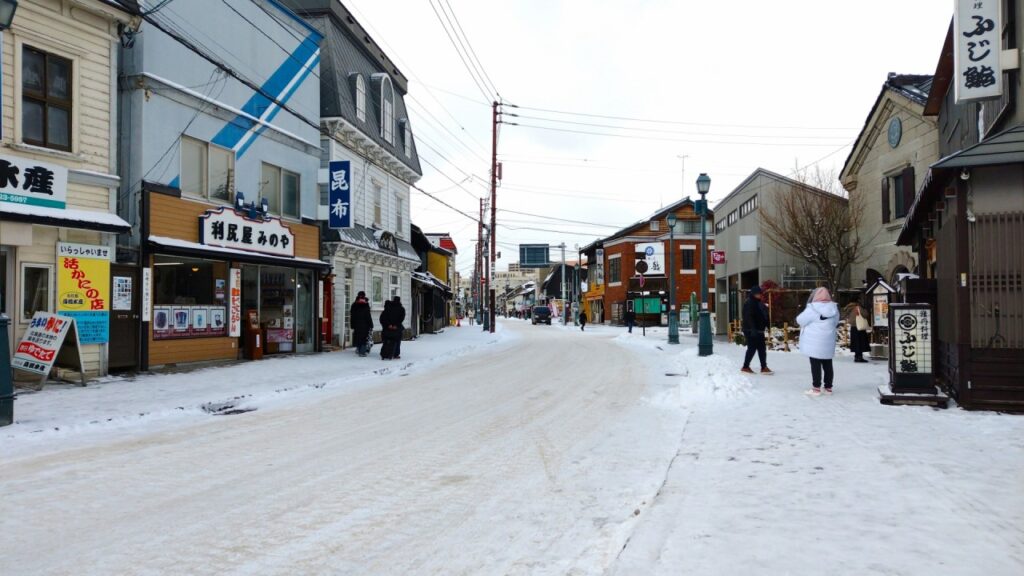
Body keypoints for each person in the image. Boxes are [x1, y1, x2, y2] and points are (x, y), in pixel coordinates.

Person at [797, 287, 840, 395]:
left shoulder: (812, 308)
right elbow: (835, 322)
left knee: (815, 364)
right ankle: (828, 387)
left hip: (814, 341)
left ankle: (816, 387)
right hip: (828, 341)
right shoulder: (834, 308)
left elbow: (800, 320)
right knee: (828, 364)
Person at [740, 286, 773, 375]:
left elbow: (765, 315)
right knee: (752, 348)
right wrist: (753, 329)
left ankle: (764, 367)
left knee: (762, 349)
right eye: (758, 294)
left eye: (760, 294)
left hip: (759, 330)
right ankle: (745, 367)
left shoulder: (760, 304)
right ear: (753, 294)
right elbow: (748, 317)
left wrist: (768, 326)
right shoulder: (749, 303)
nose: (760, 295)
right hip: (750, 330)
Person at [350, 291, 373, 357]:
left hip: (357, 324)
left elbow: (352, 315)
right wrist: (371, 324)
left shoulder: (354, 304)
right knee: (364, 338)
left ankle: (358, 349)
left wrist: (352, 324)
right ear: (364, 296)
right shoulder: (366, 304)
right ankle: (362, 352)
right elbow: (368, 316)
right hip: (365, 325)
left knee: (358, 337)